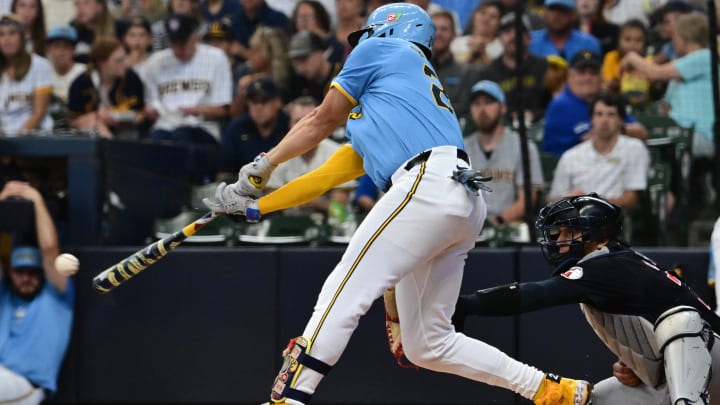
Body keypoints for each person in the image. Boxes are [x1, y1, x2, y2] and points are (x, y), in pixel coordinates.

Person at [203, 4, 592, 405]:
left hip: (425, 183)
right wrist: (255, 207)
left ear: (390, 29)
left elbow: (320, 119)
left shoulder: (383, 51)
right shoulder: (400, 99)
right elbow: (327, 175)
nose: (358, 45)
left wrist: (263, 165)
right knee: (429, 343)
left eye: (366, 34)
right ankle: (549, 389)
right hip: (457, 197)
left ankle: (290, 398)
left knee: (343, 290)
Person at [453, 193, 720, 405]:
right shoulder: (616, 264)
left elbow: (534, 294)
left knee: (680, 321)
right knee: (591, 401)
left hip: (711, 359)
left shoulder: (604, 265)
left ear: (600, 239)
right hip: (687, 373)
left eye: (571, 233)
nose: (561, 240)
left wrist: (467, 304)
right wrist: (638, 363)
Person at [0, 180, 74, 405]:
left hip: (26, 385)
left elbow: (50, 250)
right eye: (20, 271)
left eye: (32, 271)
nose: (26, 278)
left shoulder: (55, 297)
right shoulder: (5, 297)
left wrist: (36, 198)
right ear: (11, 272)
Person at [143, 13, 232, 146]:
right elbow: (150, 105)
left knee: (182, 134)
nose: (178, 49)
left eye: (183, 43)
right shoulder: (155, 63)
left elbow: (223, 109)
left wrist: (194, 111)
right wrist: (151, 111)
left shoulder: (216, 58)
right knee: (157, 138)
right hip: (165, 125)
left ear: (194, 37)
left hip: (202, 128)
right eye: (174, 43)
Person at [549, 92, 649, 209]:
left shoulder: (634, 149)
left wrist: (594, 203)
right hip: (575, 219)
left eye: (611, 114)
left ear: (621, 120)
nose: (604, 120)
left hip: (615, 218)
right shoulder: (571, 156)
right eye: (599, 114)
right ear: (591, 119)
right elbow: (553, 199)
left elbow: (632, 198)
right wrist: (570, 200)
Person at [464, 80, 544, 225]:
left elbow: (527, 199)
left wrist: (498, 221)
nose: (482, 109)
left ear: (503, 108)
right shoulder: (461, 149)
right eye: (476, 103)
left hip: (509, 227)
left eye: (488, 102)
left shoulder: (523, 147)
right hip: (468, 229)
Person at [541, 49, 647, 157]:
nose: (588, 78)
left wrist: (615, 130)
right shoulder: (560, 106)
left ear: (601, 77)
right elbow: (560, 148)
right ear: (570, 76)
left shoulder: (607, 100)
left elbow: (640, 132)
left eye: (593, 73)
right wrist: (608, 131)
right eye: (582, 73)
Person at [266, 96, 356, 218]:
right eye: (298, 121)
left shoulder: (338, 153)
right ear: (290, 124)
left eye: (310, 121)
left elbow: (339, 208)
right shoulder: (275, 155)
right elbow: (271, 203)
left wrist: (304, 199)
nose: (304, 127)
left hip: (328, 227)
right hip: (286, 227)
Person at [477, 12, 551, 125]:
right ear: (500, 38)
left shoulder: (545, 67)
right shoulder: (487, 73)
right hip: (501, 129)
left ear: (529, 38)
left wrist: (535, 115)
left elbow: (555, 106)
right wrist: (508, 117)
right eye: (507, 32)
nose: (513, 36)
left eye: (519, 31)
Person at [67, 36, 146, 139]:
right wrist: (97, 116)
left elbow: (142, 114)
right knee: (93, 122)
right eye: (118, 61)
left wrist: (118, 116)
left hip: (127, 130)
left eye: (124, 58)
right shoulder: (81, 83)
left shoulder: (131, 78)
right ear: (101, 63)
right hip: (92, 134)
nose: (125, 64)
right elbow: (72, 122)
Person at [221, 76, 288, 174]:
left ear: (277, 102)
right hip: (244, 186)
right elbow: (224, 173)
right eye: (254, 101)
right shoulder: (237, 128)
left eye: (264, 101)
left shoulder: (289, 125)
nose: (258, 107)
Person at [0, 14, 53, 136]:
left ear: (23, 37)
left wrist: (18, 141)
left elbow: (39, 112)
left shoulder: (40, 65)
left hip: (34, 136)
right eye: (1, 34)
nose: (6, 39)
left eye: (12, 33)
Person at [529, 0, 601, 62]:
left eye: (562, 10)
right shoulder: (530, 41)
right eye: (552, 9)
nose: (556, 15)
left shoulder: (588, 43)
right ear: (544, 13)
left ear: (573, 15)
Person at [601, 19, 651, 106]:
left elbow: (650, 83)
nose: (632, 44)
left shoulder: (648, 60)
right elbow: (609, 82)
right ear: (619, 41)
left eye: (638, 40)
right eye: (627, 39)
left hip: (643, 105)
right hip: (616, 103)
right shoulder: (611, 57)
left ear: (645, 43)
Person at [286, 30, 343, 103]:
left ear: (321, 52)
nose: (300, 68)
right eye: (297, 63)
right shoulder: (297, 82)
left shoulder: (342, 75)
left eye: (304, 59)